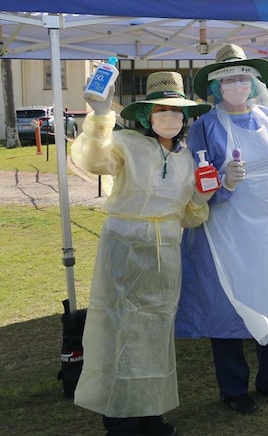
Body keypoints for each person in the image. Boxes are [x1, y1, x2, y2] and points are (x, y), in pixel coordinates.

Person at [72, 72, 214, 436]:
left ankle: (151, 413)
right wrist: (101, 116)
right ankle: (119, 417)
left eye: (178, 111)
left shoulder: (184, 159)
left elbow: (189, 215)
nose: (171, 117)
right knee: (119, 330)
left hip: (165, 252)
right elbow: (93, 159)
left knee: (155, 331)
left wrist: (203, 195)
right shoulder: (126, 144)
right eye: (163, 109)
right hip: (124, 248)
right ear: (146, 113)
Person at [175, 44, 268, 415]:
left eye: (242, 78)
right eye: (229, 79)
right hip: (225, 228)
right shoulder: (204, 127)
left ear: (253, 82)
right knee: (229, 302)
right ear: (216, 87)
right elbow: (196, 184)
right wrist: (222, 180)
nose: (237, 85)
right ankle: (233, 387)